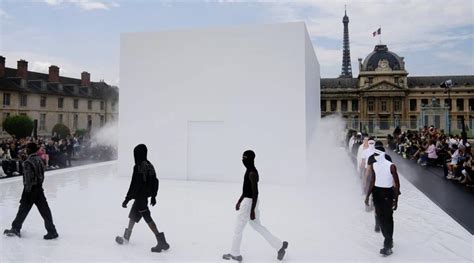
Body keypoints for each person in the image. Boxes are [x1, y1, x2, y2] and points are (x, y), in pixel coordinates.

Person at [223, 150, 288, 262]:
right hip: (250, 202)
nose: (243, 160)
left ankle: (235, 254)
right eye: (242, 158)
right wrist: (239, 200)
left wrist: (252, 210)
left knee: (238, 228)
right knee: (257, 226)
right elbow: (246, 190)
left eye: (245, 158)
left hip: (249, 203)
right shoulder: (249, 171)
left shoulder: (252, 173)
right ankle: (279, 245)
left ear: (250, 159)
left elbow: (255, 192)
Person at [116, 144, 169, 253]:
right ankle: (126, 237)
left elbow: (134, 185)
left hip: (140, 198)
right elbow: (155, 182)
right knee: (132, 216)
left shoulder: (138, 167)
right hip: (143, 198)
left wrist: (127, 199)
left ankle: (162, 241)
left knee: (148, 218)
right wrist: (154, 196)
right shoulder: (150, 165)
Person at [3, 143, 59, 239]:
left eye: (26, 149)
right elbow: (42, 174)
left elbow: (28, 179)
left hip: (30, 190)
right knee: (45, 210)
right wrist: (39, 185)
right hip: (38, 188)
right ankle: (52, 230)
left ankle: (16, 228)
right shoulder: (40, 160)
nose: (25, 150)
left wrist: (26, 193)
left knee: (23, 209)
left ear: (29, 150)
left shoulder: (28, 162)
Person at [365, 146, 401, 256]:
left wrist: (396, 200)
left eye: (376, 154)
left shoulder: (391, 166)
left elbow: (397, 184)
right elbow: (372, 181)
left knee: (388, 219)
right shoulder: (374, 165)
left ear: (381, 154)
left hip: (387, 194)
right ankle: (389, 239)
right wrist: (367, 196)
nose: (374, 156)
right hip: (377, 193)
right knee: (381, 219)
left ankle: (387, 246)